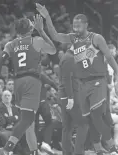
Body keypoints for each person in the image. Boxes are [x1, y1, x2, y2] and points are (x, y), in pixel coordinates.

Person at [36, 3, 118, 154]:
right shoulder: (73, 41)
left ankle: (111, 148)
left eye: (79, 25)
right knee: (88, 121)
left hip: (98, 81)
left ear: (86, 25)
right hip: (82, 86)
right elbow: (55, 36)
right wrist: (47, 17)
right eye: (74, 25)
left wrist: (117, 72)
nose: (75, 28)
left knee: (96, 117)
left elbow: (109, 57)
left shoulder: (96, 38)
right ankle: (98, 149)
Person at [0, 14, 56, 155]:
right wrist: (41, 30)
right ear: (30, 29)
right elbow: (53, 50)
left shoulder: (11, 44)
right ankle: (7, 149)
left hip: (18, 82)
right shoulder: (36, 40)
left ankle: (33, 151)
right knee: (27, 119)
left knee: (28, 122)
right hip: (31, 81)